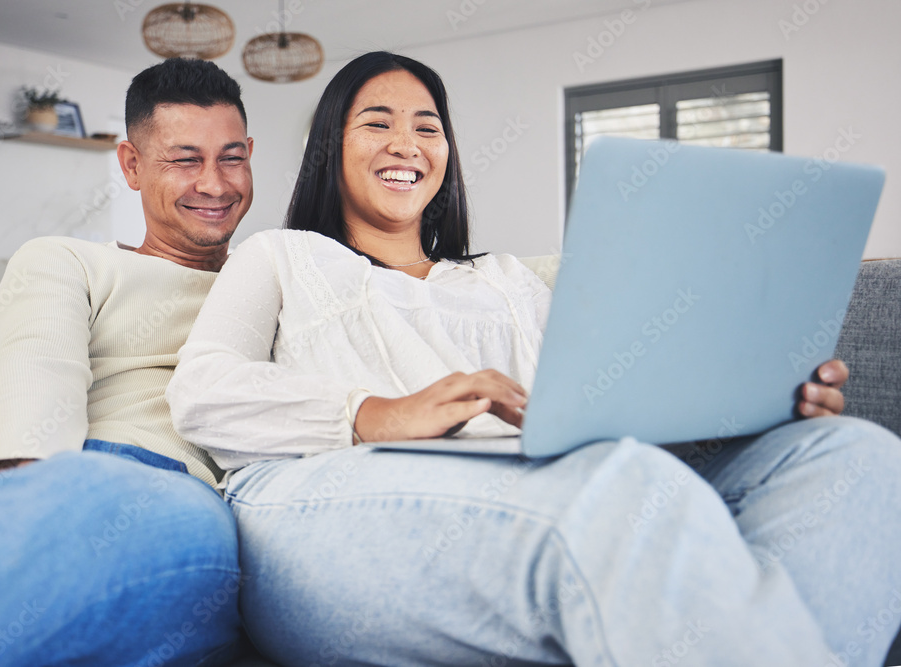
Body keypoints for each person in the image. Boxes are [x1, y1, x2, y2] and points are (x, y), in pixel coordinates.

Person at [167, 51, 901, 666]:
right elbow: (200, 390)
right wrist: (372, 411)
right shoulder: (283, 255)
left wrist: (763, 398)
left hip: (538, 478)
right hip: (321, 500)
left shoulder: (507, 280)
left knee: (856, 457)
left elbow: (603, 413)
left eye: (428, 126)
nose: (407, 143)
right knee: (618, 490)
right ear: (330, 145)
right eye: (377, 123)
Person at [0, 58, 254, 665]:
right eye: (185, 159)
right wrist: (18, 502)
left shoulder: (274, 277)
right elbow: (37, 364)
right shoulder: (69, 259)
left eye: (231, 157)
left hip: (155, 480)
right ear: (132, 166)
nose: (215, 184)